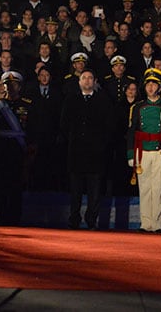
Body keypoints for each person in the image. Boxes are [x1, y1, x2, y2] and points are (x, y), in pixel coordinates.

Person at [126, 68, 161, 232]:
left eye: (154, 84)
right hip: (142, 151)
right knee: (144, 188)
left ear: (160, 87)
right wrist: (130, 154)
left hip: (160, 151)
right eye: (148, 84)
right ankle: (145, 222)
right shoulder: (137, 107)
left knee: (158, 187)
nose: (150, 87)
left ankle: (157, 223)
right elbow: (131, 132)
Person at [60, 70, 112, 229]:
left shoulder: (103, 100)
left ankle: (91, 220)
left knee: (94, 189)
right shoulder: (71, 99)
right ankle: (74, 218)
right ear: (79, 81)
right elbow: (64, 124)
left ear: (95, 81)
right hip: (76, 151)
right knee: (75, 189)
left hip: (96, 152)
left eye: (90, 78)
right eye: (84, 78)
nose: (87, 81)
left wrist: (102, 144)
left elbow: (109, 125)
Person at [0, 71, 38, 225]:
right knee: (0, 188)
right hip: (1, 151)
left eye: (14, 84)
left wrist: (31, 150)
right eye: (7, 84)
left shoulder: (27, 105)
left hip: (18, 152)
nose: (11, 87)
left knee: (16, 188)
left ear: (19, 86)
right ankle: (1, 220)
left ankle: (15, 220)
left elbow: (33, 129)